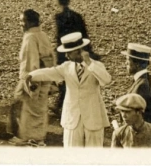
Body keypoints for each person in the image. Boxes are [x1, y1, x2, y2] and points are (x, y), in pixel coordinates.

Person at [28, 31, 111, 147]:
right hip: (72, 118)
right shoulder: (66, 67)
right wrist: (30, 76)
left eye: (69, 53)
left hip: (93, 117)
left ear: (78, 51)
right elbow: (49, 73)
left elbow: (106, 80)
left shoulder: (96, 66)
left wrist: (88, 62)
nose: (66, 56)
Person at [9, 9, 54, 146]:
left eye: (22, 21)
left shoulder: (30, 37)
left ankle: (30, 138)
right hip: (45, 76)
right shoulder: (42, 35)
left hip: (33, 78)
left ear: (28, 22)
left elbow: (31, 62)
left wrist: (31, 84)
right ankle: (36, 137)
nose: (20, 24)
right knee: (39, 108)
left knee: (29, 108)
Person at [121, 43, 151, 124]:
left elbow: (135, 116)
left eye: (128, 60)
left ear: (137, 64)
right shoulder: (147, 80)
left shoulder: (142, 86)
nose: (125, 63)